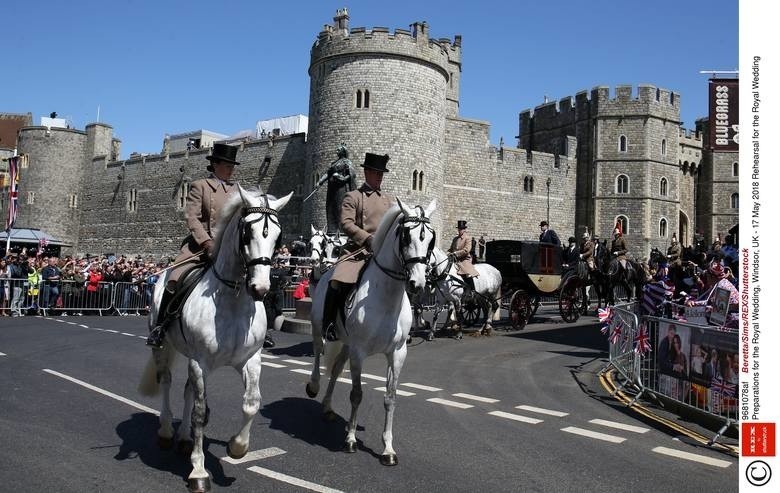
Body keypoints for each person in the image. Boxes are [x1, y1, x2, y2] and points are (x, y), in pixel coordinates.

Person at [147, 143, 240, 348]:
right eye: (227, 164)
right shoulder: (201, 186)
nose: (231, 169)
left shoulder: (237, 191)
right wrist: (207, 242)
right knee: (174, 279)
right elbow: (192, 217)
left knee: (257, 279)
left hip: (229, 250)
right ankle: (160, 326)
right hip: (200, 247)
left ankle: (262, 329)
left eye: (233, 165)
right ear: (215, 165)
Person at [321, 152, 395, 341]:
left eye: (381, 173)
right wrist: (367, 239)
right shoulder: (353, 196)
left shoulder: (388, 200)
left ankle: (400, 324)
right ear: (367, 173)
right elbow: (346, 223)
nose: (380, 176)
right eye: (376, 172)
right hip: (358, 250)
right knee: (337, 280)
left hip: (383, 251)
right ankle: (329, 323)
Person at [324, 144, 357, 234]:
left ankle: (342, 232)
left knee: (340, 209)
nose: (336, 151)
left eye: (338, 150)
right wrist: (319, 182)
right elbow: (328, 173)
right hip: (332, 190)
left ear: (343, 151)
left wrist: (342, 178)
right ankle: (331, 230)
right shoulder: (334, 163)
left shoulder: (346, 162)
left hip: (341, 190)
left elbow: (352, 174)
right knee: (331, 208)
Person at [448, 220, 480, 291]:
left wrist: (456, 253)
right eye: (459, 229)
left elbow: (466, 250)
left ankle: (472, 290)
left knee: (467, 273)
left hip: (464, 260)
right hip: (454, 259)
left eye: (461, 229)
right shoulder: (455, 239)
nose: (459, 230)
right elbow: (451, 249)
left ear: (464, 229)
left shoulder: (468, 238)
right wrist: (448, 254)